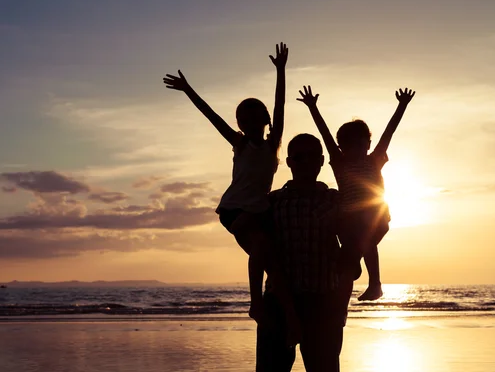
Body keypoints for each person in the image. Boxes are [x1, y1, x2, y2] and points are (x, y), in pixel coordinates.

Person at [163, 43, 301, 344]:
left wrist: (281, 71)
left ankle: (275, 313)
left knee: (269, 259)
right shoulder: (240, 144)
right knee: (262, 248)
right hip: (236, 209)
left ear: (264, 122)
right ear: (240, 124)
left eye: (255, 119)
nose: (249, 124)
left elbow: (280, 107)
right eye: (244, 120)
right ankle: (261, 305)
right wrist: (188, 90)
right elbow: (211, 116)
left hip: (259, 211)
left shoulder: (272, 144)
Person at [297, 85, 416, 301]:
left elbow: (389, 133)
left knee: (366, 240)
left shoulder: (374, 160)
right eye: (348, 145)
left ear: (368, 144)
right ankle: (354, 273)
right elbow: (325, 135)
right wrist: (313, 108)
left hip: (374, 215)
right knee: (349, 250)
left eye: (360, 144)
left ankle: (375, 283)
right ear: (342, 147)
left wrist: (401, 106)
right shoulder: (340, 164)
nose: (354, 150)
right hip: (349, 219)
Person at [256, 133, 353, 372]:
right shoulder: (272, 202)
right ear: (289, 162)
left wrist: (341, 308)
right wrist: (256, 302)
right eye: (298, 158)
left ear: (321, 161)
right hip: (278, 301)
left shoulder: (336, 200)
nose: (305, 163)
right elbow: (259, 253)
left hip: (323, 303)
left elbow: (351, 253)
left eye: (311, 157)